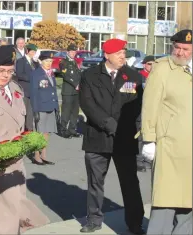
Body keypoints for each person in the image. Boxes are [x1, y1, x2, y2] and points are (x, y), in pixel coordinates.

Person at [0, 45, 50, 234]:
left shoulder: (14, 88)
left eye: (10, 71)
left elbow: (18, 123)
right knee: (6, 215)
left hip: (16, 164)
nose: (6, 75)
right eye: (1, 71)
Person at [79, 38, 144, 234]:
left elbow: (137, 105)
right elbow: (87, 104)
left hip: (124, 139)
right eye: (118, 53)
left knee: (130, 182)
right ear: (106, 55)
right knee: (95, 182)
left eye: (124, 52)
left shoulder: (133, 76)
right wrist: (109, 124)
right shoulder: (90, 75)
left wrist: (129, 129)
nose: (123, 56)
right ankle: (93, 220)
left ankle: (135, 223)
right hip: (97, 137)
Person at [141, 29, 192, 235]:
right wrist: (149, 139)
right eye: (177, 48)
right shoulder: (162, 69)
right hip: (170, 145)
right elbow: (150, 106)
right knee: (166, 199)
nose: (180, 53)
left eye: (186, 49)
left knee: (189, 201)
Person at [30, 51, 59, 165]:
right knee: (39, 132)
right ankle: (36, 156)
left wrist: (57, 108)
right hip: (41, 107)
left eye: (51, 61)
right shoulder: (36, 73)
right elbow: (34, 93)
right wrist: (35, 110)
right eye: (47, 61)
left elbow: (54, 91)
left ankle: (44, 155)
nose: (49, 63)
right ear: (41, 61)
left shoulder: (51, 73)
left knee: (47, 132)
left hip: (50, 105)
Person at [135, 55, 155, 173]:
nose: (152, 67)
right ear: (144, 65)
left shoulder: (156, 77)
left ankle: (149, 159)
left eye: (154, 64)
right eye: (149, 64)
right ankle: (139, 161)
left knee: (152, 136)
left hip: (154, 111)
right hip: (142, 111)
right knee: (141, 137)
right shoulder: (139, 77)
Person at [59, 44, 82, 138]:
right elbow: (66, 76)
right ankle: (63, 130)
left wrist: (80, 84)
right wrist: (75, 84)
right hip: (68, 91)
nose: (73, 53)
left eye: (74, 52)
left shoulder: (74, 62)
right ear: (67, 52)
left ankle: (72, 129)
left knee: (74, 111)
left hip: (76, 91)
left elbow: (78, 75)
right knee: (66, 111)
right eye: (71, 52)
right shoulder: (63, 62)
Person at [15, 43, 39, 131]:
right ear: (27, 51)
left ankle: (29, 129)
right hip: (24, 90)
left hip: (33, 91)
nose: (33, 53)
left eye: (34, 52)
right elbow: (19, 74)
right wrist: (32, 78)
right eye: (32, 51)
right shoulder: (21, 61)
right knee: (24, 111)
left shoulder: (35, 63)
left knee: (30, 112)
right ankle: (22, 129)